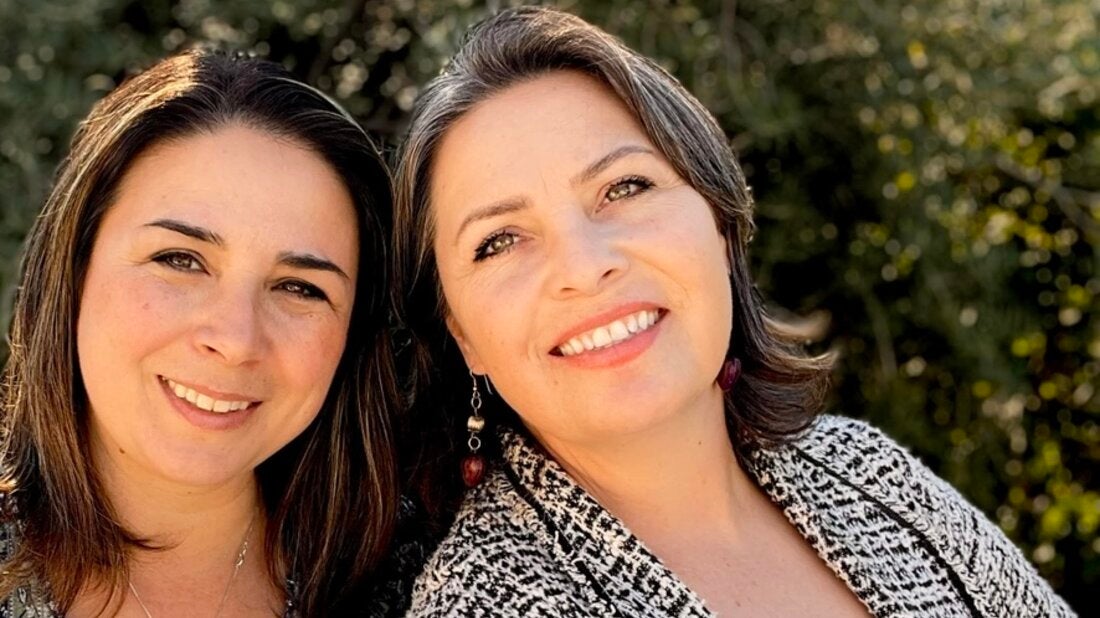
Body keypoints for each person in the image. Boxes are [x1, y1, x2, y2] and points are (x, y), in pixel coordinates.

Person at [392, 6, 1074, 617]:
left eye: (623, 187)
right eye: (499, 241)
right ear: (462, 336)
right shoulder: (485, 605)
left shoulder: (867, 472)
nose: (583, 266)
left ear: (719, 225)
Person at [0, 47, 402, 616]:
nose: (236, 340)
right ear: (74, 268)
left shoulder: (425, 580)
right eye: (180, 260)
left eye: (299, 288)